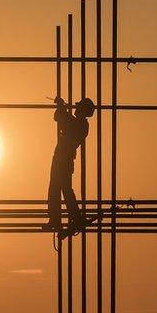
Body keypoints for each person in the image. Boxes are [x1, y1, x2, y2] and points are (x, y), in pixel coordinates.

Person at [43, 96, 95, 239]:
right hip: (62, 156)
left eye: (79, 107)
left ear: (84, 111)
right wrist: (61, 109)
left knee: (61, 187)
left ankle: (70, 218)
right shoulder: (79, 123)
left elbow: (65, 122)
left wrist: (62, 107)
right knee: (58, 187)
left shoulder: (82, 125)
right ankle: (61, 218)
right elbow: (59, 118)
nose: (76, 108)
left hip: (64, 158)